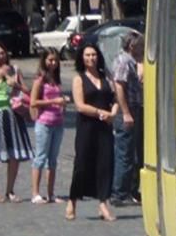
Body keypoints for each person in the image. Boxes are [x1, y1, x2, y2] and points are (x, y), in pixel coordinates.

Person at [66, 44, 118, 222]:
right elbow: (80, 106)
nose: (91, 58)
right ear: (82, 58)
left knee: (105, 163)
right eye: (87, 55)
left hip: (104, 127)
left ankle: (103, 203)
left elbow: (115, 99)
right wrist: (100, 113)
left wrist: (113, 113)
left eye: (94, 54)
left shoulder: (105, 77)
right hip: (87, 126)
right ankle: (72, 200)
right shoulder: (79, 79)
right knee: (82, 164)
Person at [0, 41, 32, 202]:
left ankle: (10, 190)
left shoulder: (15, 69)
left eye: (3, 52)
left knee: (14, 154)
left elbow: (28, 91)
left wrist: (15, 84)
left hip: (14, 113)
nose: (1, 56)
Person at [29, 49, 69, 204]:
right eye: (50, 60)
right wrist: (54, 101)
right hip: (44, 123)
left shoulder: (56, 79)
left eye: (56, 60)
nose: (53, 63)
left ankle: (50, 193)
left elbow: (58, 97)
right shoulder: (40, 80)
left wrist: (63, 101)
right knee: (40, 158)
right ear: (44, 61)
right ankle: (35, 193)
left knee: (53, 160)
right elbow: (33, 102)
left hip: (58, 123)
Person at [111, 33, 144, 205]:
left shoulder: (132, 61)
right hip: (128, 110)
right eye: (140, 45)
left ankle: (132, 190)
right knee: (125, 153)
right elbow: (119, 87)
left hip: (135, 108)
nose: (143, 48)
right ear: (132, 46)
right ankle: (119, 193)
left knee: (134, 152)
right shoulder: (124, 61)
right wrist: (125, 112)